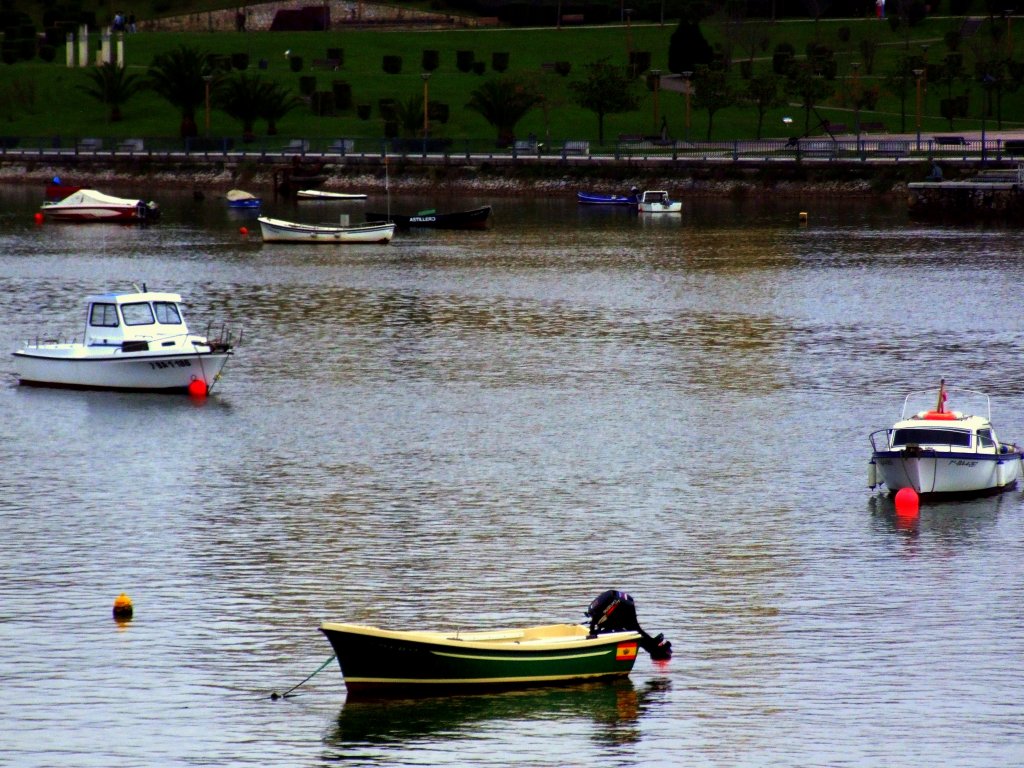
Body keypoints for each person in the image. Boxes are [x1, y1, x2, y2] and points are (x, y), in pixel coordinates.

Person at [585, 589, 672, 660]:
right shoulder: (597, 613)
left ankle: (657, 651)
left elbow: (595, 625)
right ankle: (656, 650)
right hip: (624, 604)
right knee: (635, 631)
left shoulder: (597, 613)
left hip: (622, 606)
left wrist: (593, 633)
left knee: (635, 631)